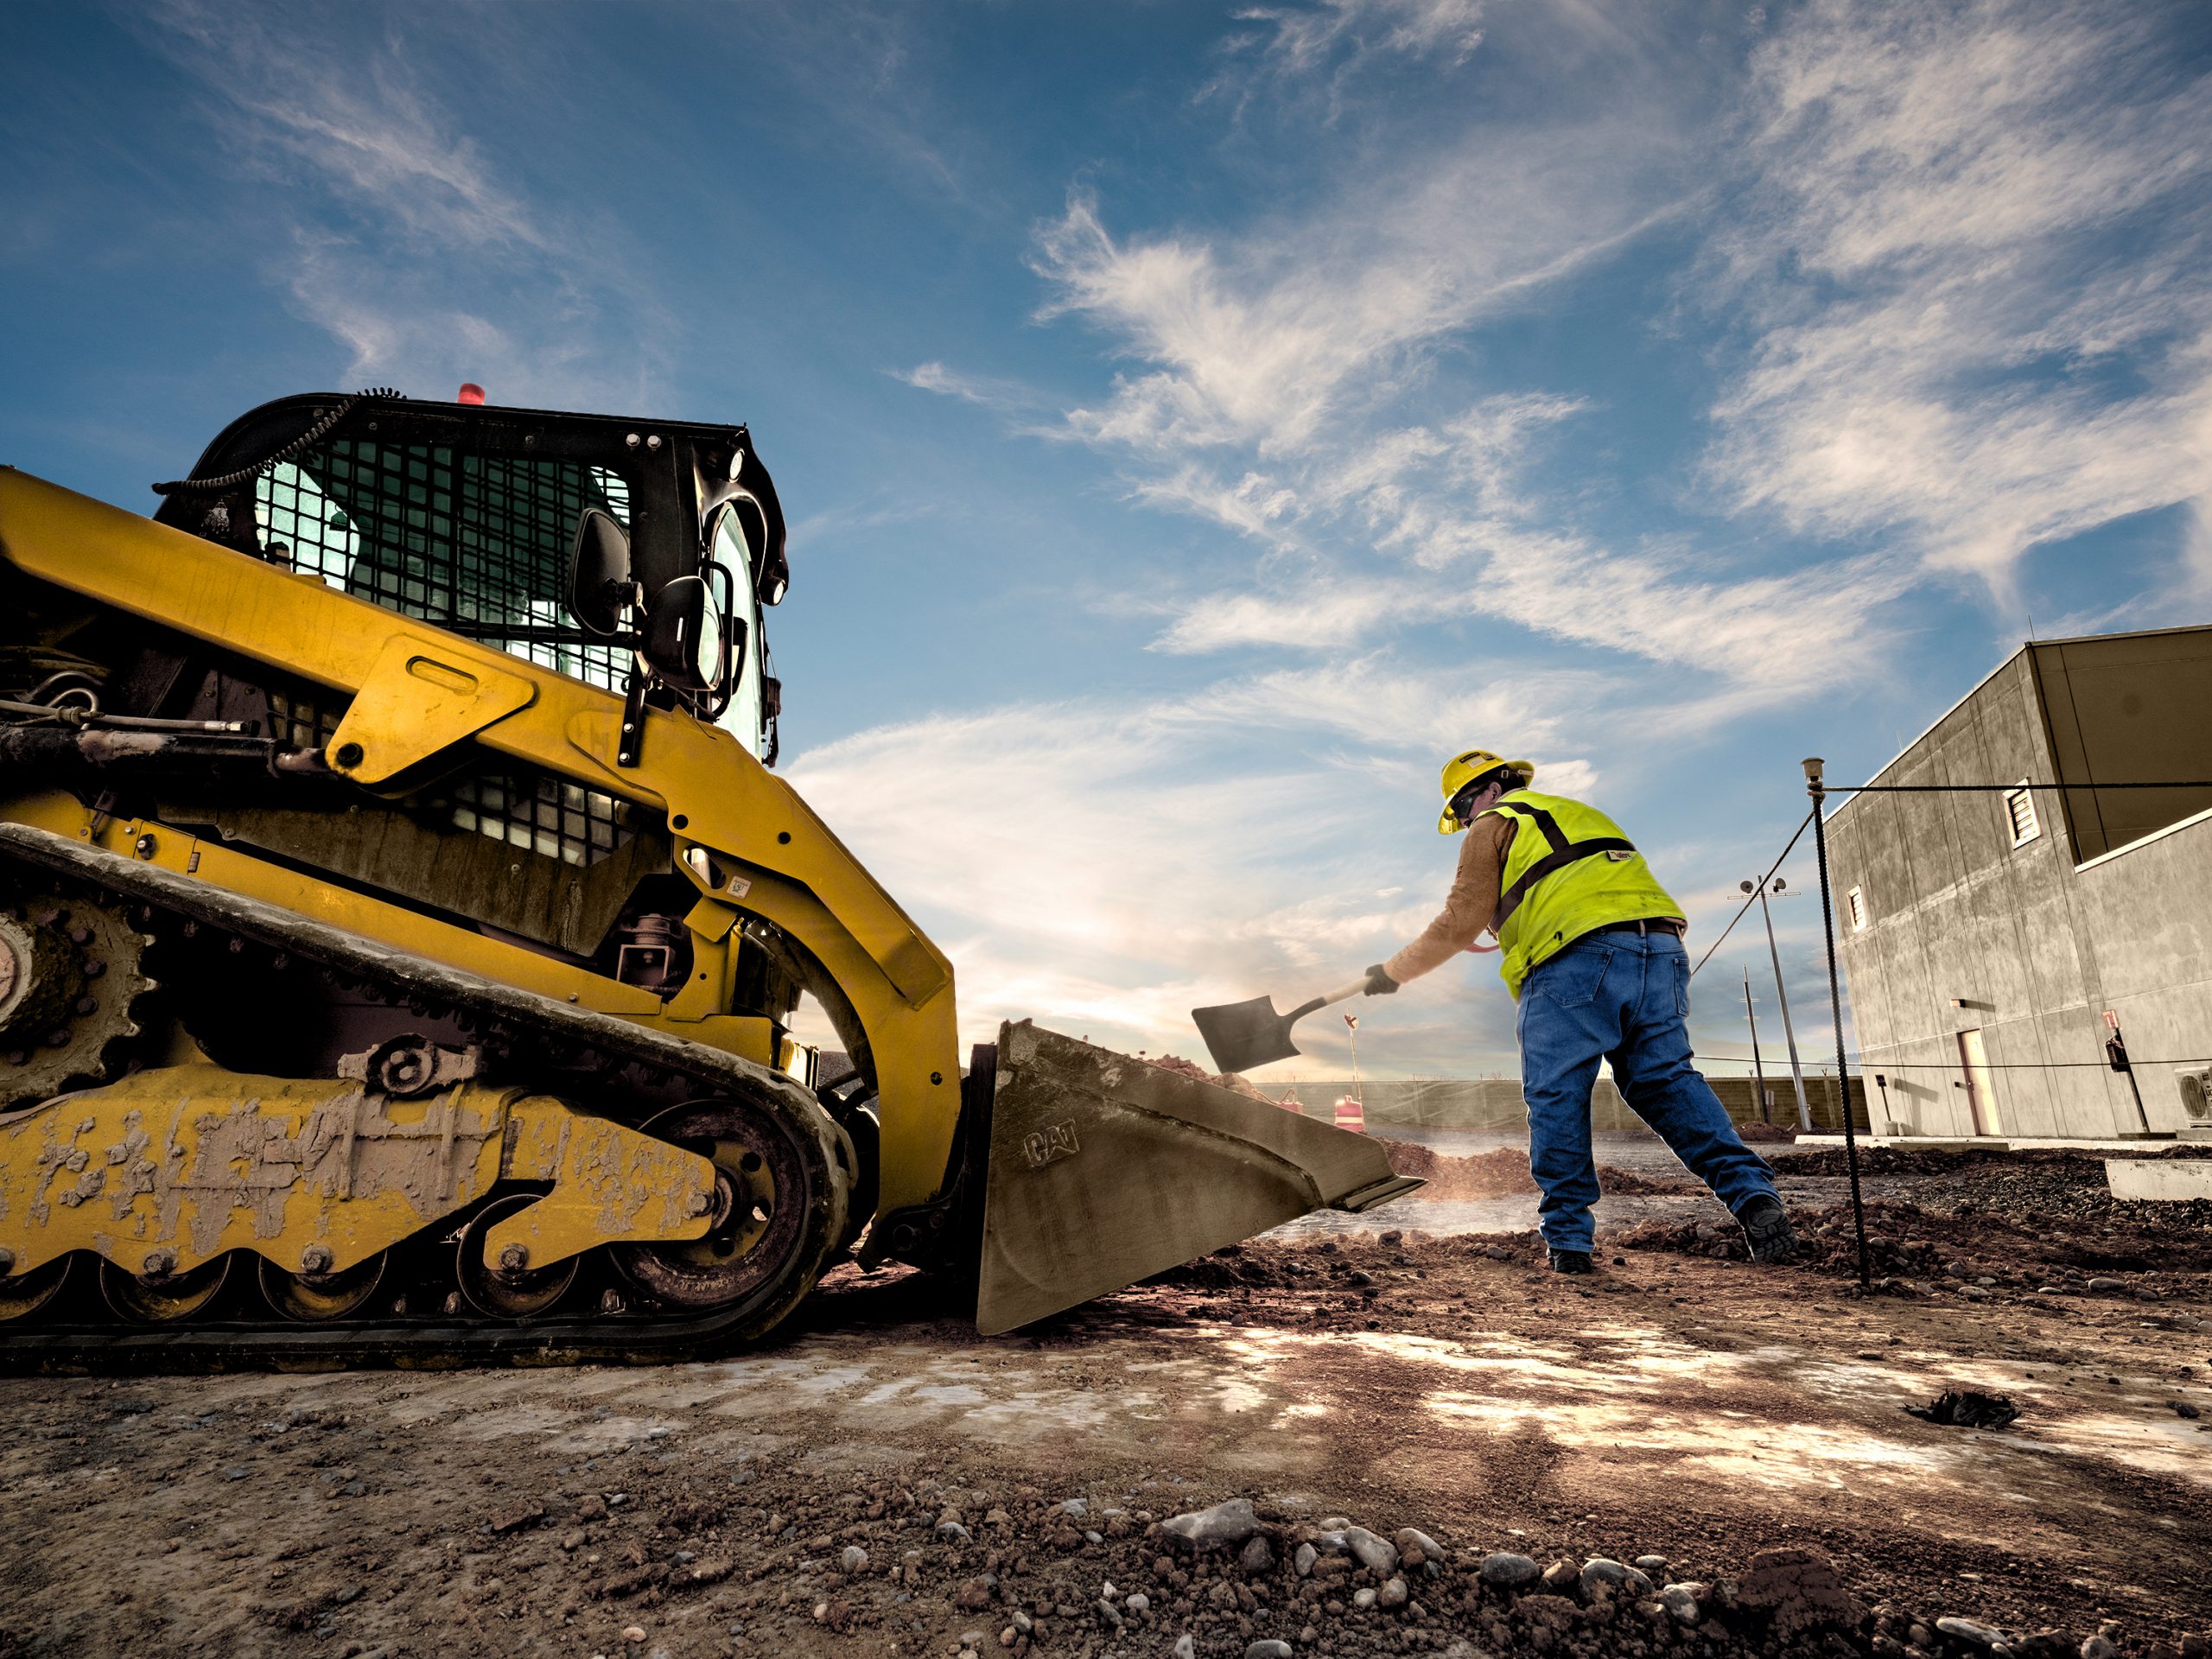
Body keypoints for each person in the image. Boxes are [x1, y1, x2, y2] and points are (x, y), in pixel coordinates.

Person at [1360, 748, 1796, 1274]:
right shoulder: (1579, 815)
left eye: (1465, 806)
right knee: (1667, 1080)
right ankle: (1752, 1196)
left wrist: (1394, 971)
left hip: (1574, 962)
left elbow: (1460, 920)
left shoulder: (1494, 822)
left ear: (1493, 790)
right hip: (1660, 952)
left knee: (1556, 1092)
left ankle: (1568, 1240)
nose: (1467, 818)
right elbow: (1572, 887)